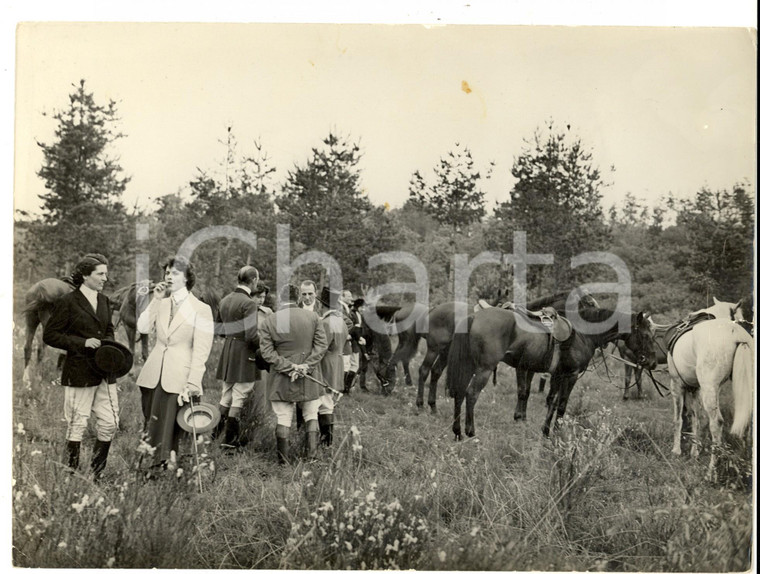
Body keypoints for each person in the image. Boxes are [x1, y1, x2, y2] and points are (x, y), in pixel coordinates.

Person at [43, 253, 117, 479]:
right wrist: (82, 343)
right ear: (85, 276)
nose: (105, 278)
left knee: (111, 423)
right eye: (100, 274)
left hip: (104, 372)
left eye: (106, 273)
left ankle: (97, 474)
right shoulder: (68, 302)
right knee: (77, 423)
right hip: (79, 371)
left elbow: (108, 330)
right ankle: (71, 475)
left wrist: (110, 349)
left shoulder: (104, 301)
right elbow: (51, 335)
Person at [135, 256, 214, 469]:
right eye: (167, 273)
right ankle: (149, 467)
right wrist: (156, 300)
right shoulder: (160, 302)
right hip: (153, 375)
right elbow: (142, 327)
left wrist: (193, 382)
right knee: (151, 424)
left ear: (187, 278)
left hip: (180, 377)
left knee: (174, 427)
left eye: (175, 273)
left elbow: (201, 351)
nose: (169, 277)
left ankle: (170, 469)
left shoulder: (200, 309)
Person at [258, 283, 328, 463]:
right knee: (311, 414)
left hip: (282, 377)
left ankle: (283, 461)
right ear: (298, 298)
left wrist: (290, 367)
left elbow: (267, 353)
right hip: (309, 375)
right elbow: (321, 346)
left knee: (283, 417)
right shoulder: (313, 317)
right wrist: (306, 366)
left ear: (281, 299)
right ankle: (311, 457)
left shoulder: (270, 321)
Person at [213, 265, 260, 450]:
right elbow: (251, 336)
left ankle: (215, 435)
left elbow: (219, 330)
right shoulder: (249, 303)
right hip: (243, 353)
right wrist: (265, 346)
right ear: (254, 280)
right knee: (239, 397)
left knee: (226, 396)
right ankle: (229, 442)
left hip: (228, 351)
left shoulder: (225, 300)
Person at [316, 286, 349, 446]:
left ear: (322, 305)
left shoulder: (327, 323)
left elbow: (321, 348)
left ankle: (325, 442)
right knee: (328, 404)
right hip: (337, 365)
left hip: (326, 367)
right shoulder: (341, 321)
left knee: (324, 405)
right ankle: (326, 442)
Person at [340, 290, 364, 394]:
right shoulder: (341, 309)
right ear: (342, 297)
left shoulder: (348, 309)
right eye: (349, 296)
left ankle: (345, 388)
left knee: (349, 365)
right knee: (346, 365)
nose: (351, 298)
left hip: (351, 339)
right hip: (346, 340)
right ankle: (343, 389)